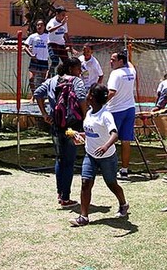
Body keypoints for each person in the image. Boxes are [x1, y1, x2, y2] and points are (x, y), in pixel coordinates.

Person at [68, 84, 129, 227]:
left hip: (107, 156)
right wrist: (79, 135)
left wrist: (105, 146)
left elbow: (115, 134)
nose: (86, 96)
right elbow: (91, 132)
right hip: (90, 155)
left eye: (89, 94)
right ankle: (83, 217)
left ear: (92, 97)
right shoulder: (89, 113)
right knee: (85, 183)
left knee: (111, 183)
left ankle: (123, 204)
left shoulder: (106, 115)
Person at [34, 58, 87, 208]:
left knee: (59, 159)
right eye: (78, 69)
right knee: (69, 162)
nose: (80, 72)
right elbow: (82, 98)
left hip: (56, 126)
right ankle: (66, 198)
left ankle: (60, 193)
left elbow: (38, 93)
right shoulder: (76, 81)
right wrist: (85, 117)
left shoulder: (51, 81)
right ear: (71, 69)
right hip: (72, 126)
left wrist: (44, 114)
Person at [106, 51, 136, 179]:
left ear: (121, 61)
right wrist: (127, 56)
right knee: (126, 141)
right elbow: (132, 66)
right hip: (130, 109)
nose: (111, 62)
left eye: (113, 59)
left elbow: (112, 92)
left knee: (109, 140)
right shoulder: (131, 72)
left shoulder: (115, 74)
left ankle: (108, 168)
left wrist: (100, 104)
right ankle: (124, 170)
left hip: (115, 110)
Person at [23, 20, 49, 96]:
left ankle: (42, 96)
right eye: (38, 25)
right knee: (31, 79)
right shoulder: (32, 36)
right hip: (35, 61)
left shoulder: (47, 36)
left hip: (44, 60)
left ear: (44, 27)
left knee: (44, 80)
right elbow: (25, 47)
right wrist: (31, 55)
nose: (39, 26)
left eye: (41, 25)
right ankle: (34, 96)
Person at [46, 6, 72, 76]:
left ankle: (62, 75)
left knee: (67, 62)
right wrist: (61, 25)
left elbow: (66, 35)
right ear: (57, 14)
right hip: (52, 44)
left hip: (61, 44)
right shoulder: (52, 22)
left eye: (64, 15)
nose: (64, 17)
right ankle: (49, 73)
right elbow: (49, 30)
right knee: (55, 61)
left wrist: (71, 47)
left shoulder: (64, 23)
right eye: (62, 15)